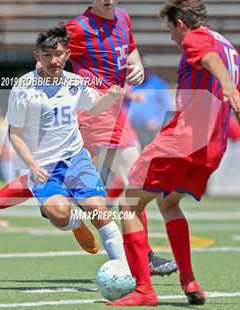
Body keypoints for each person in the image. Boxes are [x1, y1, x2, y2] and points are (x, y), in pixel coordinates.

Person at [107, 0, 240, 306]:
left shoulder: (196, 38)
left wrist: (226, 85)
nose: (172, 38)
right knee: (168, 203)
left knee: (128, 205)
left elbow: (208, 60)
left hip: (183, 140)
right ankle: (189, 282)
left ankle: (144, 290)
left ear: (180, 24)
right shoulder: (230, 49)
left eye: (170, 30)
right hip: (212, 149)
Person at [66, 0, 177, 277]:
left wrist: (136, 65)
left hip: (116, 112)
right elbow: (48, 57)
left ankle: (142, 255)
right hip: (95, 111)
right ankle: (141, 253)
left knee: (129, 182)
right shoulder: (77, 27)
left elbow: (131, 51)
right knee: (125, 181)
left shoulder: (123, 19)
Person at [7, 24, 128, 261]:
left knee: (99, 211)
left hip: (76, 159)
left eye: (58, 54)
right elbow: (15, 134)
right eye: (47, 55)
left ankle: (124, 269)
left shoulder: (75, 83)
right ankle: (76, 225)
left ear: (68, 54)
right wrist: (32, 165)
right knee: (60, 215)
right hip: (43, 167)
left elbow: (93, 108)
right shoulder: (23, 87)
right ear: (37, 56)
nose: (54, 61)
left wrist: (110, 98)